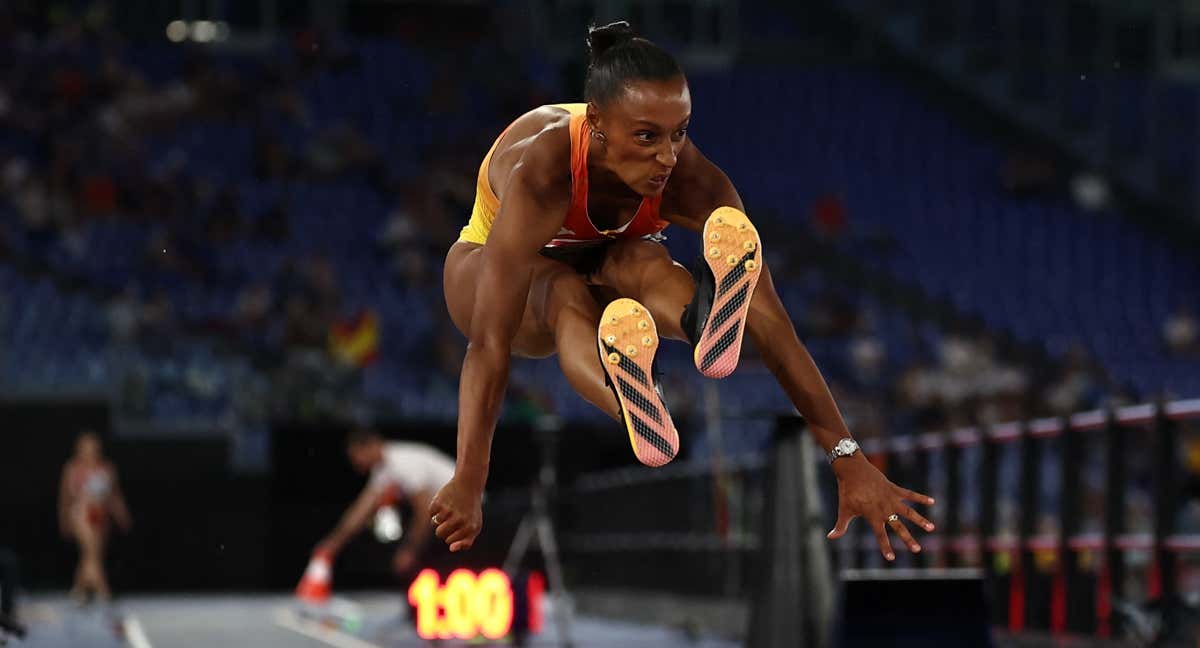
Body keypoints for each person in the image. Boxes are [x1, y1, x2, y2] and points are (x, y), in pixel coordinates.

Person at [432, 21, 936, 562]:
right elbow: (488, 345)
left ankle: (704, 318)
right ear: (596, 123)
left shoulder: (689, 178)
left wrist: (847, 456)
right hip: (493, 268)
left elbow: (773, 326)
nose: (668, 157)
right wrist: (469, 478)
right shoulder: (545, 170)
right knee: (562, 293)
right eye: (647, 136)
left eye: (680, 132)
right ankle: (631, 400)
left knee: (642, 258)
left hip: (605, 261)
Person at [298, 430, 456, 601]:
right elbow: (360, 511)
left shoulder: (403, 463)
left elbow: (424, 512)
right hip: (445, 517)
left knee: (417, 558)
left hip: (469, 514)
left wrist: (410, 550)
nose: (355, 463)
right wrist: (332, 543)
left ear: (371, 445)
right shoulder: (383, 470)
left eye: (356, 455)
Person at [58, 432, 132, 604]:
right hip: (82, 513)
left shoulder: (106, 467)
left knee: (92, 553)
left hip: (101, 515)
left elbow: (114, 495)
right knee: (91, 552)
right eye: (87, 447)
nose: (91, 450)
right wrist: (63, 519)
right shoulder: (73, 468)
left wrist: (121, 514)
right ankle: (103, 590)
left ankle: (79, 590)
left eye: (94, 447)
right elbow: (64, 497)